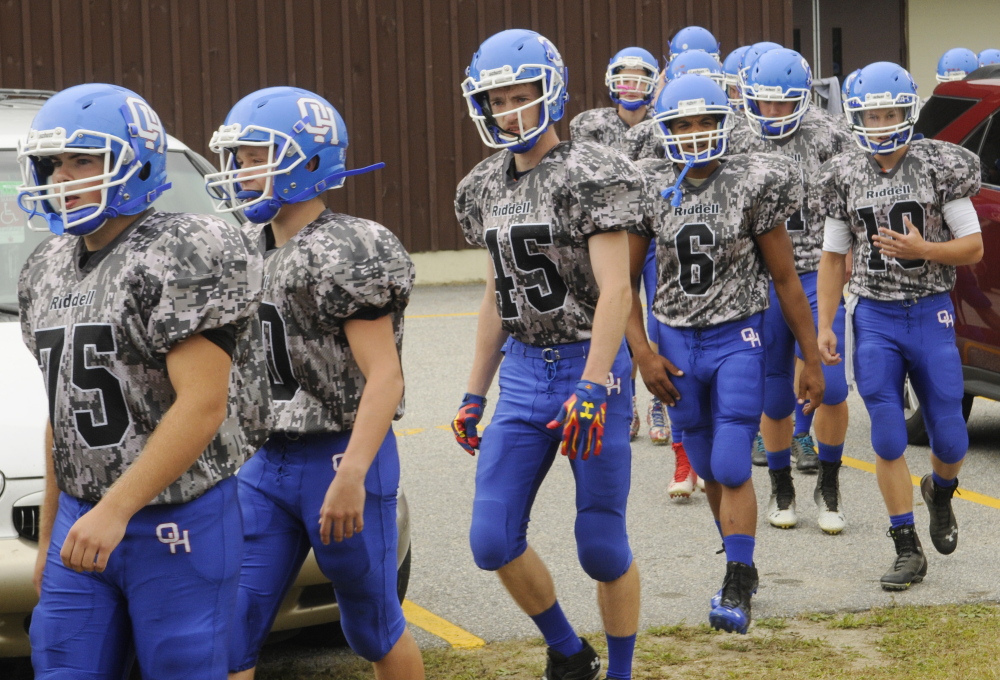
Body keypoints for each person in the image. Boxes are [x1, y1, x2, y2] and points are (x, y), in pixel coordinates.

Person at [17, 83, 267, 679]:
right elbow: (66, 414)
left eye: (84, 159)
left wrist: (115, 509)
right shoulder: (44, 267)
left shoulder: (182, 248)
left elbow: (204, 404)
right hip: (83, 515)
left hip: (177, 516)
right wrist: (54, 530)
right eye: (54, 163)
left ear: (137, 158)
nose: (63, 177)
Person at [206, 87, 424, 679]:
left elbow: (386, 375)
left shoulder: (349, 247)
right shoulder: (244, 249)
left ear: (307, 160)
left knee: (373, 627)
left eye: (256, 156)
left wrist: (352, 473)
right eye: (239, 157)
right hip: (264, 463)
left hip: (339, 455)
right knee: (232, 630)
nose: (241, 170)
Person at [453, 28, 642, 680]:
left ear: (550, 93)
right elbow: (494, 296)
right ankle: (568, 651)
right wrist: (475, 390)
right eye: (495, 99)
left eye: (518, 96)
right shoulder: (482, 186)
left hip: (592, 364)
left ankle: (620, 672)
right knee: (491, 538)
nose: (507, 111)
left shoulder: (592, 173)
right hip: (527, 371)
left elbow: (617, 291)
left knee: (600, 545)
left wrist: (594, 386)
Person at [629, 73, 824, 634]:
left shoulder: (752, 179)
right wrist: (642, 351)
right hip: (673, 340)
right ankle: (740, 560)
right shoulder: (647, 185)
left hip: (736, 335)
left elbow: (787, 278)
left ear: (724, 124)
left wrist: (811, 358)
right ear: (665, 130)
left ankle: (736, 578)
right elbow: (622, 284)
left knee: (733, 460)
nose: (694, 135)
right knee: (710, 462)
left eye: (705, 122)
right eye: (682, 124)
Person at [814, 62, 983, 590]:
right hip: (876, 315)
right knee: (887, 435)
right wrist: (826, 323)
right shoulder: (843, 173)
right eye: (872, 113)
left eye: (891, 112)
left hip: (930, 310)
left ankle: (939, 491)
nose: (883, 123)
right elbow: (830, 257)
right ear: (856, 117)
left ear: (908, 111)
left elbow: (973, 247)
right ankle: (905, 544)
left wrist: (924, 249)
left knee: (951, 440)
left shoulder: (939, 163)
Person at [732, 48, 853, 534]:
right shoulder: (737, 138)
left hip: (813, 271)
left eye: (785, 103)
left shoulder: (829, 135)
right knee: (774, 392)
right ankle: (782, 486)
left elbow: (852, 199)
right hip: (761, 279)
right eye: (766, 103)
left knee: (834, 387)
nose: (775, 112)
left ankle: (829, 484)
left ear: (804, 99)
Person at [570, 46, 659, 441]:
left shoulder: (664, 123)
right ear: (611, 82)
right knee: (617, 314)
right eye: (624, 78)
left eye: (640, 79)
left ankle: (660, 401)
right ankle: (630, 399)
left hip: (653, 233)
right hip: (605, 236)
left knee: (659, 318)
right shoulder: (589, 125)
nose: (631, 87)